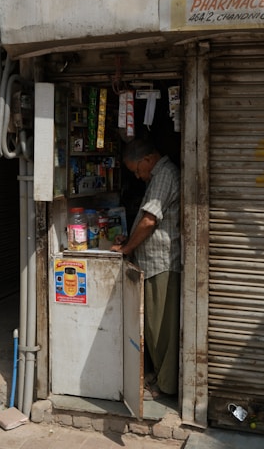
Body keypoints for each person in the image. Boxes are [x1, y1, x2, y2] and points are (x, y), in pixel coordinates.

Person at [111, 138, 180, 400]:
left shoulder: (164, 174)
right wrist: (128, 240)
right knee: (153, 326)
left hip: (163, 263)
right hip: (153, 264)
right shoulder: (158, 176)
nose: (138, 176)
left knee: (163, 327)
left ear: (148, 159)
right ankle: (159, 377)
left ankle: (165, 385)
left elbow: (150, 220)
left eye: (137, 170)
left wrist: (128, 249)